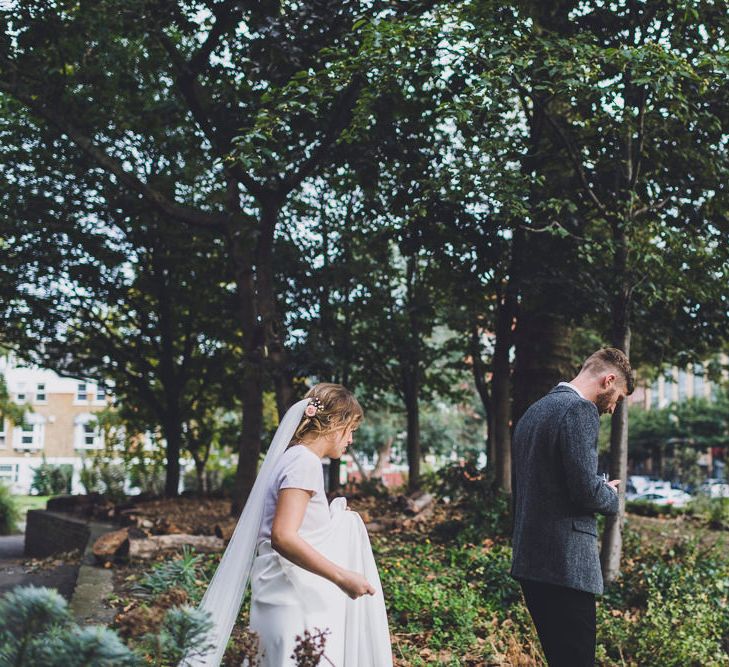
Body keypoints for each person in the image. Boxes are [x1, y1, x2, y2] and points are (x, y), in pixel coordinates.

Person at [186, 383, 392, 667]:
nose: (351, 440)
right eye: (351, 429)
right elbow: (283, 536)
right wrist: (342, 576)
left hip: (284, 593)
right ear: (334, 424)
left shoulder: (292, 458)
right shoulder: (303, 463)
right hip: (291, 599)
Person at [510, 347, 634, 666]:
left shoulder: (533, 412)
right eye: (618, 397)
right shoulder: (579, 410)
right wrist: (609, 494)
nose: (612, 408)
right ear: (608, 380)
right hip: (566, 565)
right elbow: (584, 491)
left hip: (532, 561)